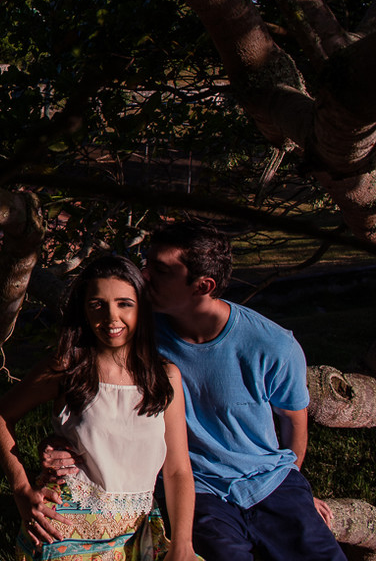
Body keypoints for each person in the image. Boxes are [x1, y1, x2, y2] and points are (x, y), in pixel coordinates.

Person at [42, 223, 346, 561]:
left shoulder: (272, 345)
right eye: (147, 263)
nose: (144, 275)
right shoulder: (137, 334)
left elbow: (294, 423)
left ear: (203, 286)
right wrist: (58, 441)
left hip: (269, 482)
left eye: (160, 270)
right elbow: (91, 389)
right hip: (199, 491)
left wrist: (296, 492)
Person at [0, 255, 199, 561]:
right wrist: (21, 490)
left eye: (124, 304)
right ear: (84, 310)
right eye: (97, 305)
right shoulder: (67, 367)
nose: (112, 317)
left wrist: (182, 543)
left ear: (142, 307)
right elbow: (0, 417)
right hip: (64, 528)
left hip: (137, 532)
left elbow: (178, 470)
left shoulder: (165, 376)